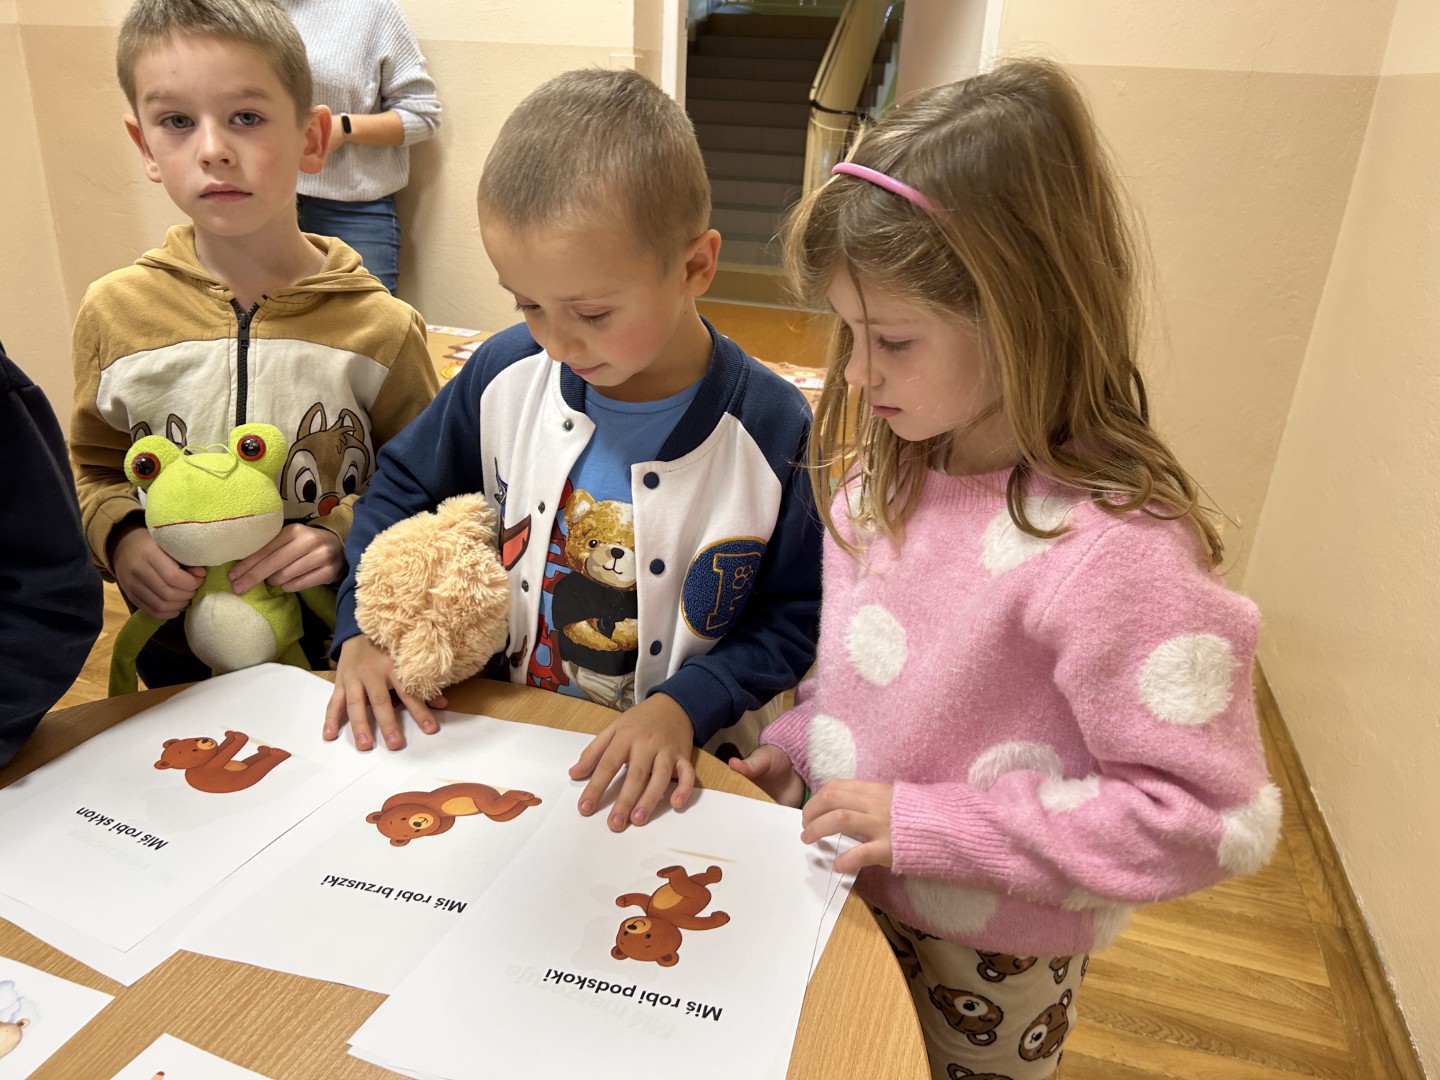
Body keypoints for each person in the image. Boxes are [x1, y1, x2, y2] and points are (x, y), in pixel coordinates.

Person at [729, 58, 1282, 1080]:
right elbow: (878, 691)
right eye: (849, 334)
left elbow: (1204, 822)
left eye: (893, 339)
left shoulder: (1119, 551)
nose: (858, 372)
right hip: (843, 889)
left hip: (991, 959)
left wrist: (928, 828)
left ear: (1024, 315)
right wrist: (800, 749)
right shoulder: (885, 479)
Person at [323, 68, 823, 834]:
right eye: (527, 304)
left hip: (681, 778)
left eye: (591, 313)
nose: (556, 342)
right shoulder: (501, 371)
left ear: (696, 266)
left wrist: (687, 704)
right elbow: (398, 490)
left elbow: (793, 616)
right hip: (501, 742)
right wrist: (359, 629)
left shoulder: (774, 426)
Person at [70, 0, 439, 691]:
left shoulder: (382, 327)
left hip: (336, 647)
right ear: (145, 146)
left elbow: (424, 478)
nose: (212, 148)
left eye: (246, 116)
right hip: (174, 649)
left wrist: (343, 535)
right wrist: (122, 536)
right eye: (177, 121)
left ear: (312, 139)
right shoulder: (113, 313)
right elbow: (93, 464)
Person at [282, 0, 442, 294]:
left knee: (367, 318)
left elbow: (422, 115)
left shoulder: (373, 10)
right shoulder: (247, 8)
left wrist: (343, 128)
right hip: (263, 201)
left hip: (354, 209)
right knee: (264, 320)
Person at [0, 342, 104, 769]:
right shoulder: (110, 310)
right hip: (167, 635)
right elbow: (101, 467)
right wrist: (123, 532)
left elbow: (49, 589)